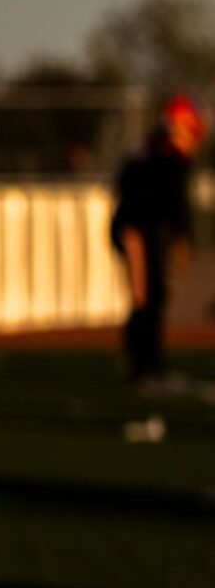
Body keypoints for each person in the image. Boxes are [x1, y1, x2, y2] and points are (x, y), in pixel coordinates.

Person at [110, 92, 201, 389]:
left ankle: (151, 366)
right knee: (144, 296)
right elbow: (167, 205)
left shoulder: (156, 151)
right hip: (135, 229)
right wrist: (179, 239)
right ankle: (143, 369)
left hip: (143, 229)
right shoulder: (162, 155)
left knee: (154, 295)